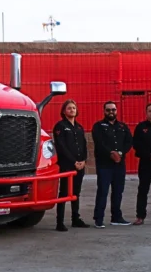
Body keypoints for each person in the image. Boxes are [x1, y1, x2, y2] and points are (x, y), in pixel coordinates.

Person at [91, 101, 132, 228]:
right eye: (108, 110)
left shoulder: (123, 126)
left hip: (119, 164)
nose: (111, 112)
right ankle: (99, 219)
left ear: (116, 111)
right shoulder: (98, 126)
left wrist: (120, 153)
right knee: (103, 191)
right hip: (104, 165)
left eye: (113, 109)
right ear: (104, 111)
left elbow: (129, 142)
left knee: (118, 191)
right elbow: (99, 143)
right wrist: (111, 153)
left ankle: (116, 217)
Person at [53, 99, 88, 231]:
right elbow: (61, 146)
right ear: (64, 111)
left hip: (80, 166)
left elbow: (84, 145)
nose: (72, 110)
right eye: (69, 108)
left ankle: (75, 219)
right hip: (67, 166)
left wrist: (83, 160)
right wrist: (73, 161)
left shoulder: (79, 127)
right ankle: (60, 222)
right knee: (64, 193)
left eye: (74, 108)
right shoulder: (60, 126)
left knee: (76, 193)